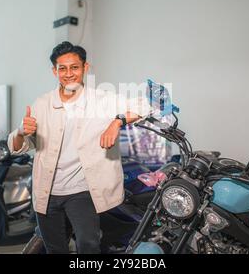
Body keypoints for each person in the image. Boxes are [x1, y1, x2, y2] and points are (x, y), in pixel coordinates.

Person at [8, 41, 149, 254]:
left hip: (81, 191)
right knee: (55, 248)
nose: (68, 74)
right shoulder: (42, 104)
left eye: (74, 67)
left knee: (88, 245)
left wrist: (117, 121)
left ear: (85, 68)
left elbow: (146, 104)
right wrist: (19, 132)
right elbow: (17, 147)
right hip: (47, 192)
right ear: (54, 71)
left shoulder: (102, 99)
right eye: (62, 68)